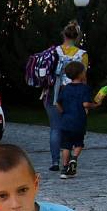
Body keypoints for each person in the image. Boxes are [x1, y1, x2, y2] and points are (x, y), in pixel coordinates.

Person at [43, 21, 88, 172]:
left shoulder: (54, 51)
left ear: (64, 34)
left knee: (55, 129)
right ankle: (70, 160)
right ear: (77, 37)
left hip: (53, 94)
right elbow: (83, 78)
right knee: (73, 129)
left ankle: (56, 162)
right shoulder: (82, 55)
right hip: (74, 98)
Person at [55, 60, 101, 179]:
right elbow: (86, 104)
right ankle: (74, 159)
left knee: (66, 146)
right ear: (80, 74)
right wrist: (95, 105)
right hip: (79, 121)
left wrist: (63, 112)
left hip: (66, 121)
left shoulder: (65, 88)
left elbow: (58, 104)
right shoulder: (84, 88)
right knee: (79, 143)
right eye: (84, 71)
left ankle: (65, 169)